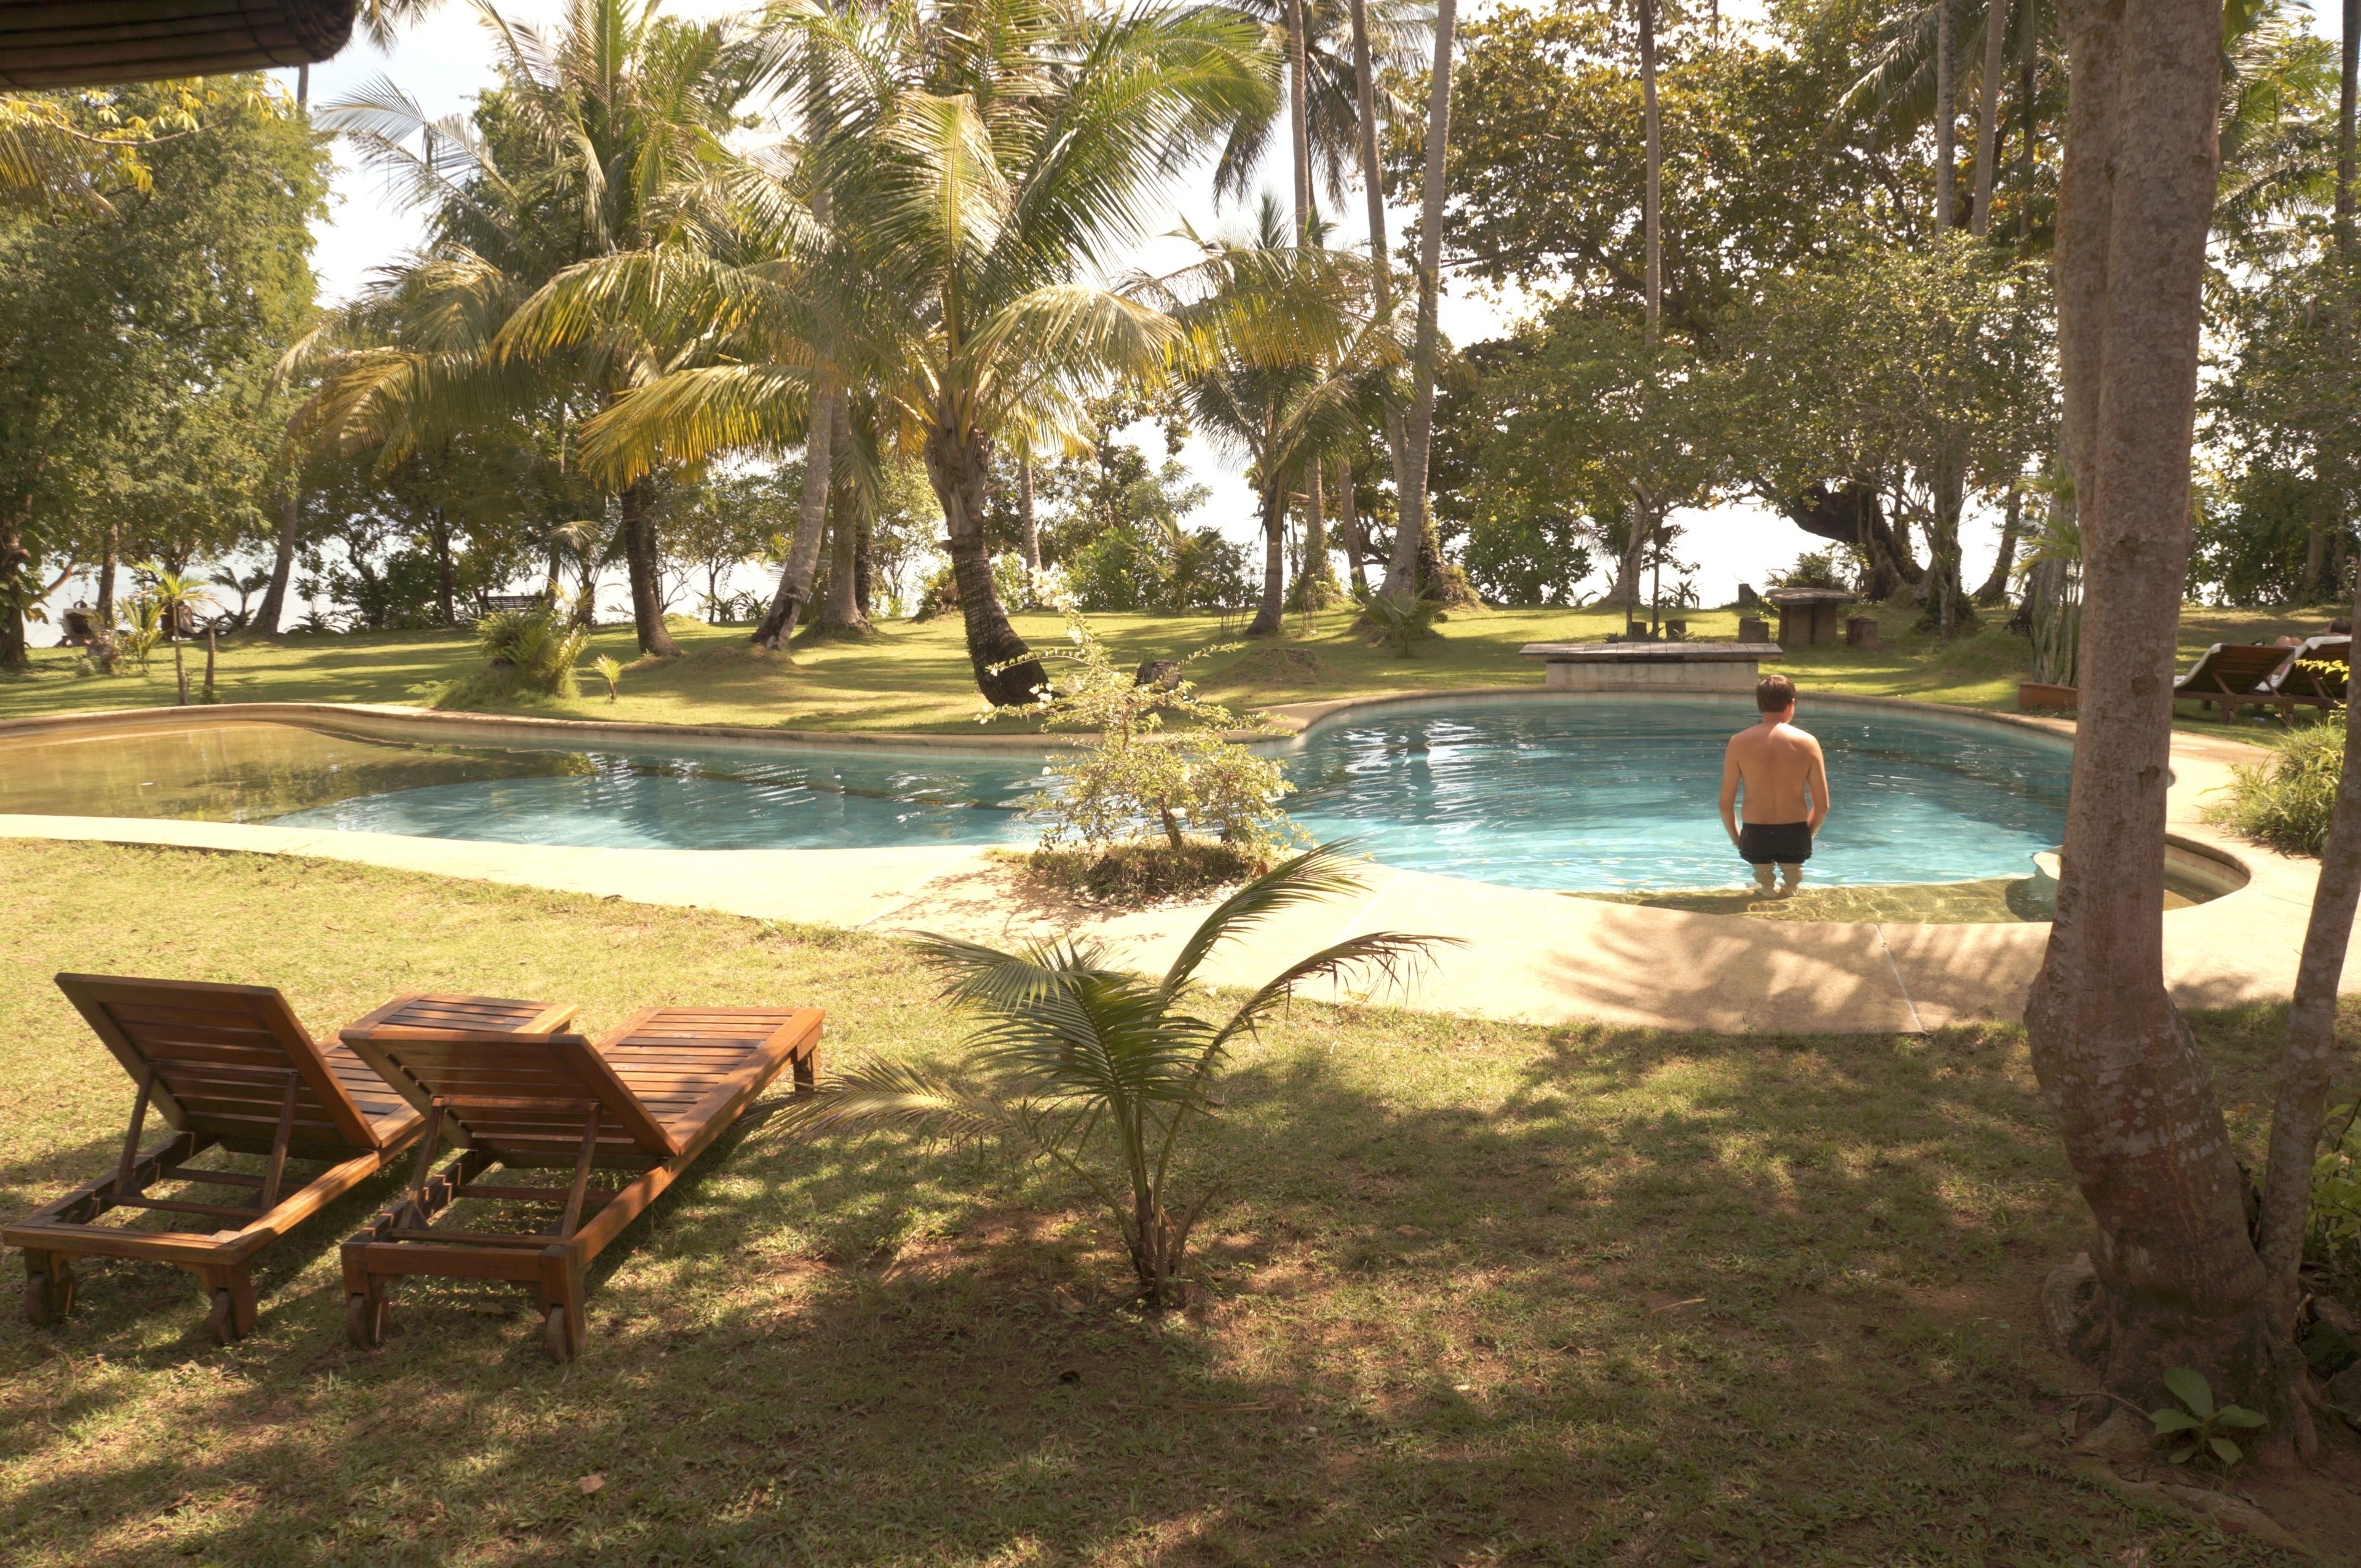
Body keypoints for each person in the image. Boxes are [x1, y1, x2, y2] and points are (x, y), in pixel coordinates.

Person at [1719, 673, 1831, 899]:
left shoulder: (1738, 742)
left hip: (1755, 833)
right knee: (1793, 884)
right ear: (1791, 704)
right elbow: (1823, 805)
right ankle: (1790, 900)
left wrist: (1737, 839)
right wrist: (1807, 835)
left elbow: (1725, 805)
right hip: (1795, 831)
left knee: (1763, 884)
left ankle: (1766, 894)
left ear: (1760, 705)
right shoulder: (1807, 742)